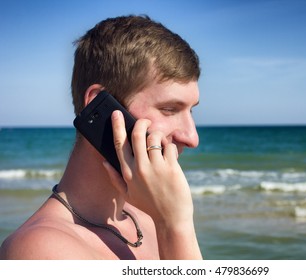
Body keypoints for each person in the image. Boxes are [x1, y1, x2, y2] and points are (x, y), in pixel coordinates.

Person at [0, 15, 202, 260]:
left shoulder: (151, 217)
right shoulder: (40, 250)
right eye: (169, 109)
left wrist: (171, 223)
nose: (192, 137)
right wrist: (176, 225)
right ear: (99, 106)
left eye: (191, 110)